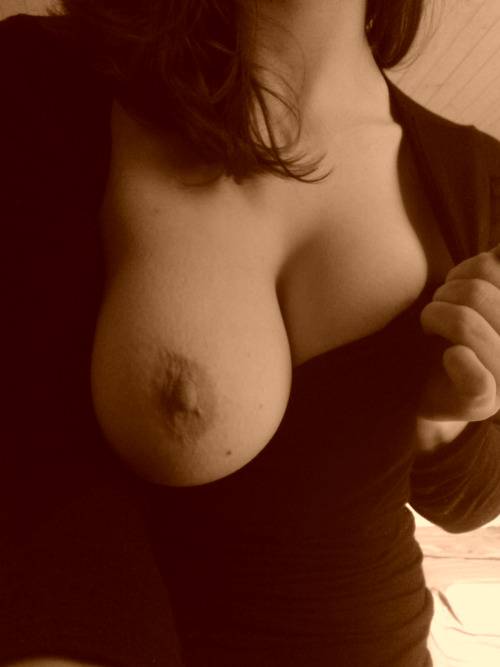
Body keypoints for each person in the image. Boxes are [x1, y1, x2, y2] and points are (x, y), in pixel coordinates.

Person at [1, 1, 500, 665]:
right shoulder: (40, 80)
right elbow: (27, 466)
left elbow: (469, 503)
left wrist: (448, 416)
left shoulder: (474, 174)